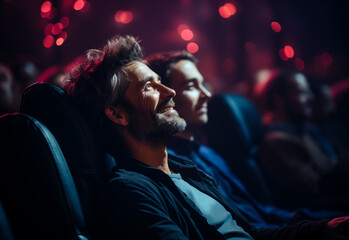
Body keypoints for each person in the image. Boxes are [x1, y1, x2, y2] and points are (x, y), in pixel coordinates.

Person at [65, 35, 349, 239]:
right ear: (117, 114)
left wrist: (324, 228)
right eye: (148, 88)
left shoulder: (190, 171)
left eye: (161, 83)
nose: (170, 93)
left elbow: (250, 231)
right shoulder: (130, 191)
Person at [146, 50, 349, 228]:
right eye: (191, 86)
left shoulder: (207, 153)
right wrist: (316, 229)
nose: (207, 94)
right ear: (162, 97)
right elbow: (243, 227)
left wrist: (324, 221)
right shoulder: (171, 166)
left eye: (203, 84)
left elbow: (257, 210)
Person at [254, 69, 349, 209]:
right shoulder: (277, 141)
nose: (311, 98)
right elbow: (314, 188)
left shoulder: (303, 130)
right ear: (279, 99)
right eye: (302, 93)